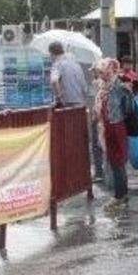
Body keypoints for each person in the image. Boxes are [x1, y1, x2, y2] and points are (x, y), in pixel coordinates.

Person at [49, 40, 102, 181]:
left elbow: (54, 80)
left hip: (67, 107)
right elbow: (84, 87)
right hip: (80, 106)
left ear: (52, 54)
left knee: (67, 141)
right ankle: (83, 172)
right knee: (81, 140)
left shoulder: (57, 64)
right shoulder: (76, 65)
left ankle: (71, 173)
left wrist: (59, 96)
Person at [95, 58, 131, 207]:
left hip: (116, 125)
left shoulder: (118, 86)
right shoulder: (104, 87)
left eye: (102, 72)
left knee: (117, 161)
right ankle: (121, 194)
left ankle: (120, 195)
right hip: (108, 126)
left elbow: (128, 106)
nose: (100, 75)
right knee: (114, 161)